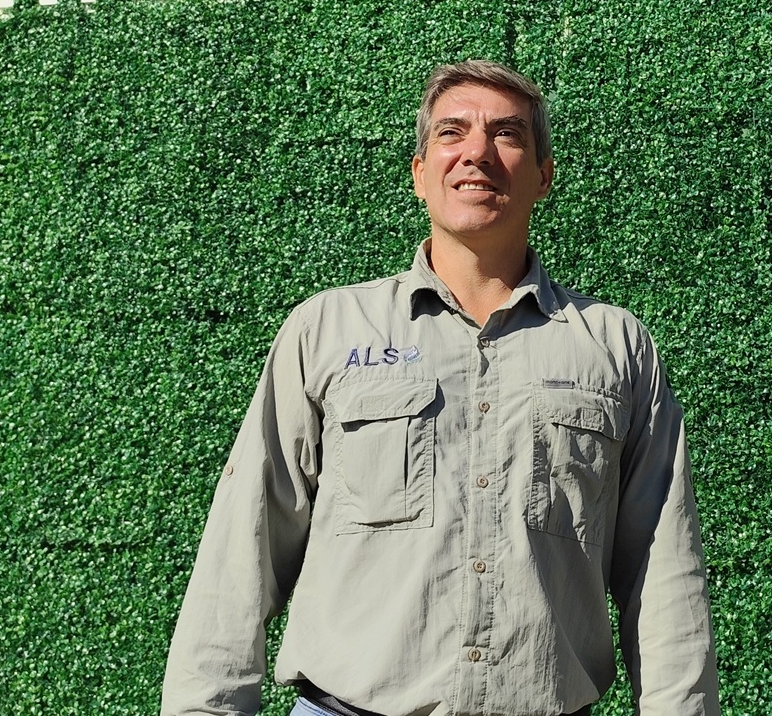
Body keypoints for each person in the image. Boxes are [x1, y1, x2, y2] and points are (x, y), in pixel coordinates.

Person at [161, 59, 720, 716]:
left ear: (544, 175)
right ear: (420, 172)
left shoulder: (615, 347)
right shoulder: (329, 330)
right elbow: (243, 545)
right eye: (452, 133)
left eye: (507, 134)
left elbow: (663, 571)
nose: (477, 152)